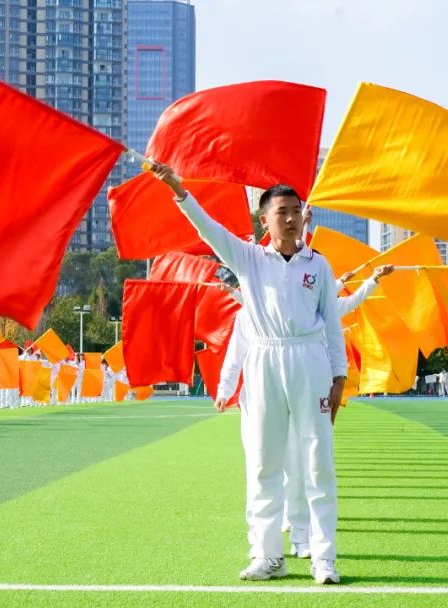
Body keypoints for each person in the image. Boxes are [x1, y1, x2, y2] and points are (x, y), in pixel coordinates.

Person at [153, 161, 346, 585]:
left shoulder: (319, 265)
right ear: (265, 220)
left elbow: (332, 325)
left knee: (318, 462)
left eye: (296, 210)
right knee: (263, 462)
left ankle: (324, 558)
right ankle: (268, 555)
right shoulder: (248, 259)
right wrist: (180, 191)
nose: (293, 218)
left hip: (308, 360)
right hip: (263, 361)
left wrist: (338, 378)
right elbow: (209, 230)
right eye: (283, 212)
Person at [218, 264, 394, 561]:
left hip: (303, 389)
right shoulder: (248, 315)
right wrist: (225, 389)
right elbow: (235, 356)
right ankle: (263, 548)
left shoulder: (311, 311)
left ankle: (301, 535)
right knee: (261, 467)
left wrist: (371, 280)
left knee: (300, 465)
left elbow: (338, 300)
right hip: (261, 398)